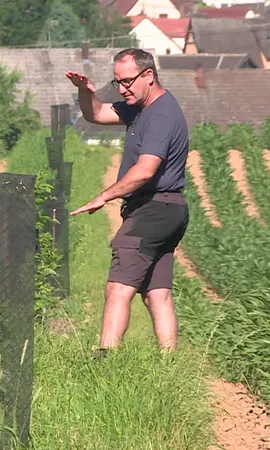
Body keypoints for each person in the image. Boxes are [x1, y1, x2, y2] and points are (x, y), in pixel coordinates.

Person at [65, 48, 190, 354]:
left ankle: (105, 361)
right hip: (170, 210)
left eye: (127, 81)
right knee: (156, 292)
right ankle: (169, 365)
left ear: (149, 75)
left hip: (153, 210)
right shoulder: (141, 108)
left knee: (118, 287)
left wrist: (103, 196)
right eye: (117, 82)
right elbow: (95, 114)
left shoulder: (160, 115)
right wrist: (85, 91)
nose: (122, 89)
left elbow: (145, 170)